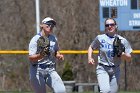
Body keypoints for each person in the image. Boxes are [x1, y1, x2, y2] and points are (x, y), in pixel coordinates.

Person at [88, 18, 132, 93]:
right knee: (105, 91)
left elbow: (129, 58)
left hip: (116, 70)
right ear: (105, 27)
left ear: (116, 26)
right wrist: (89, 57)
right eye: (107, 25)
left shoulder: (122, 40)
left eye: (112, 24)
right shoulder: (100, 38)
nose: (109, 26)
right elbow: (91, 47)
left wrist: (122, 54)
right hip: (103, 68)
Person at [28, 17, 66, 93]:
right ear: (42, 25)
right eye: (48, 24)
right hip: (37, 70)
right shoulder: (35, 39)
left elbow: (55, 51)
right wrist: (40, 55)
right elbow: (31, 58)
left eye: (52, 25)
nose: (50, 26)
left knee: (61, 90)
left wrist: (58, 55)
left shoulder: (53, 38)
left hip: (50, 70)